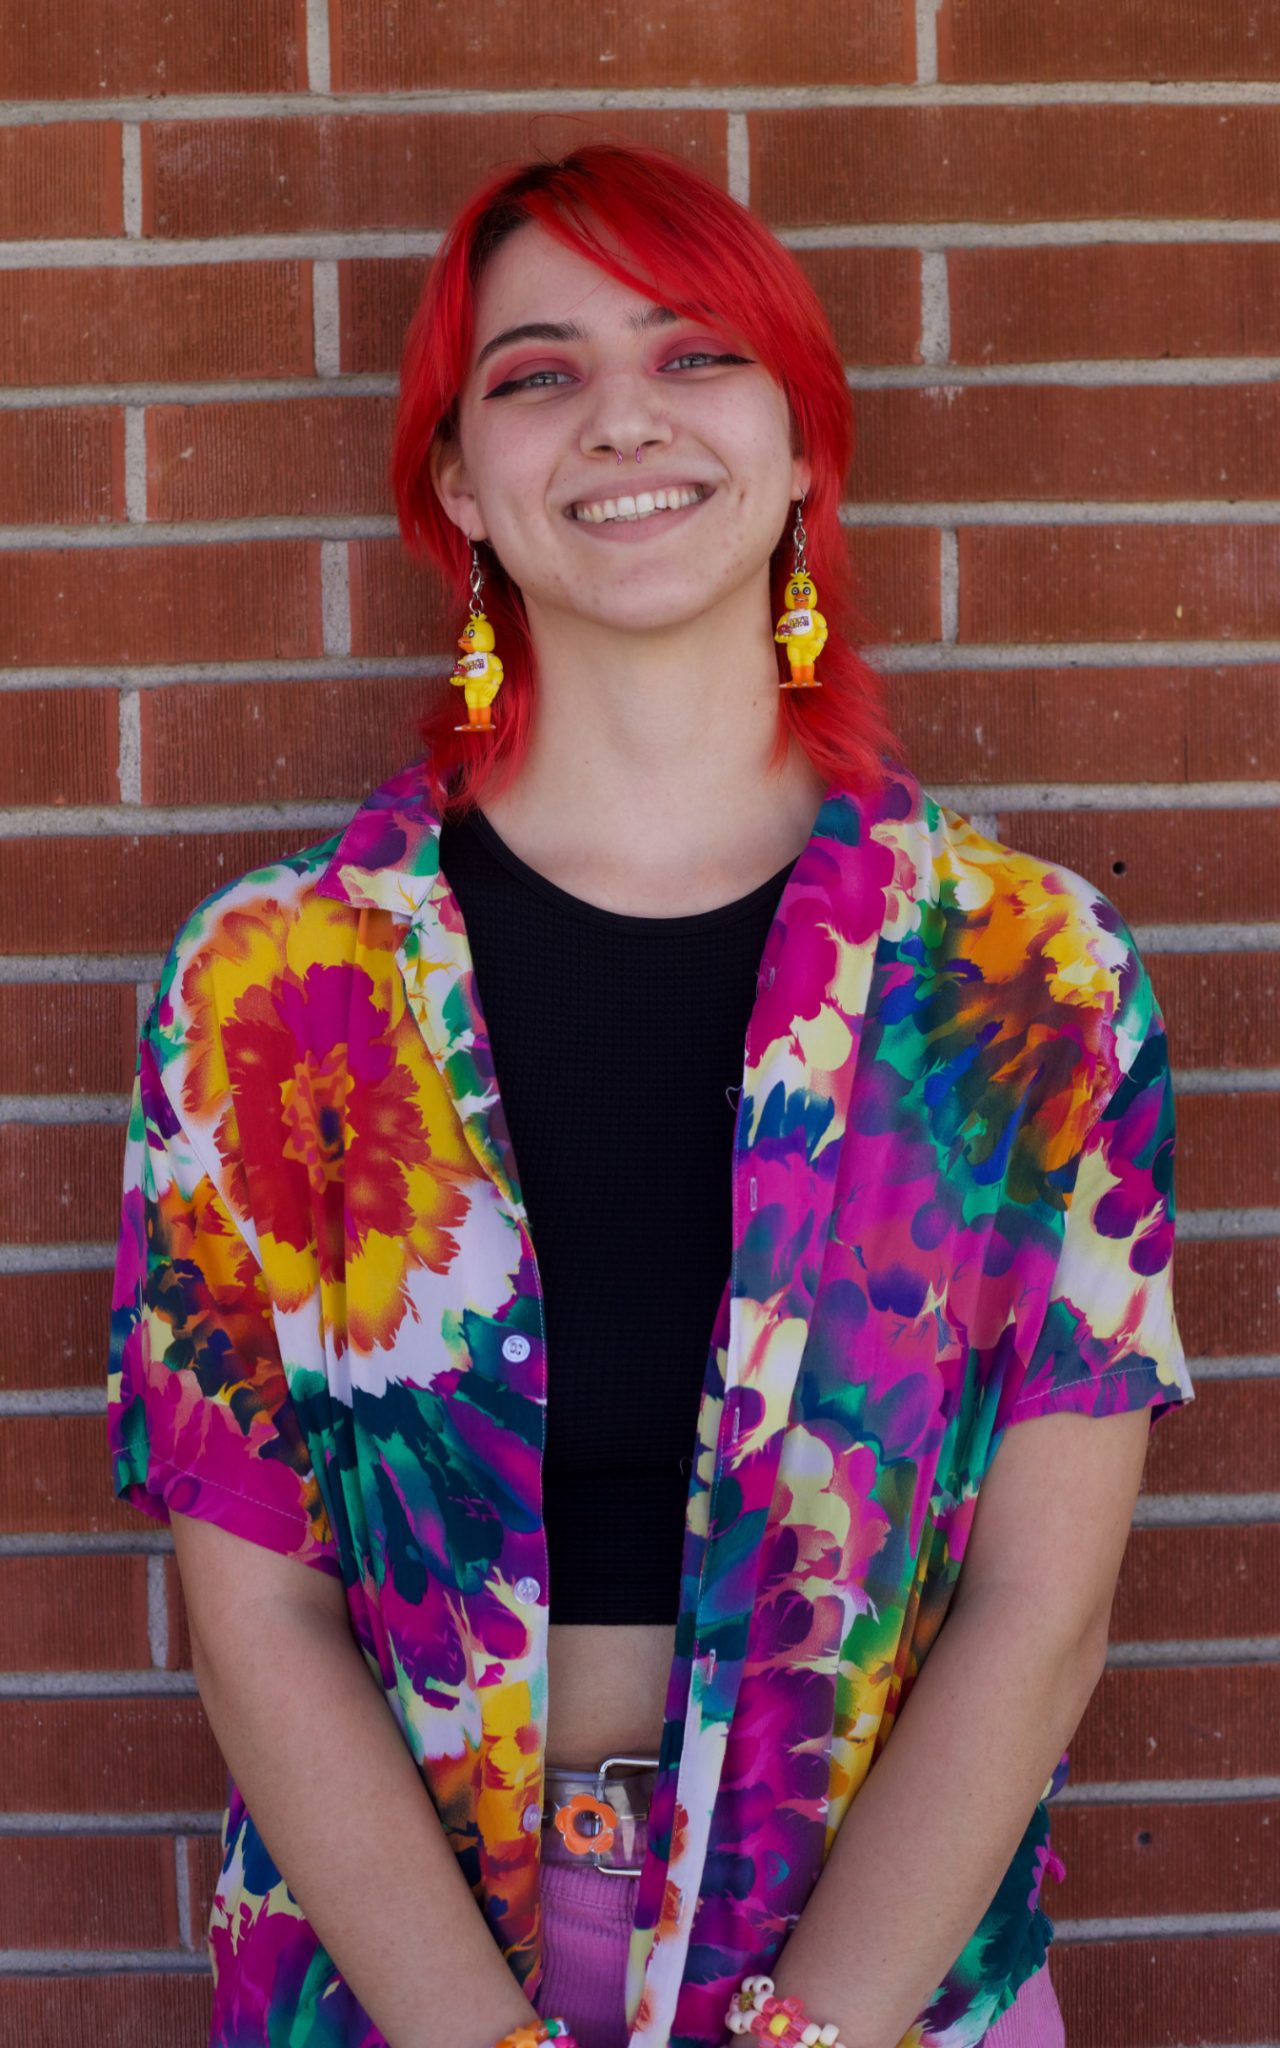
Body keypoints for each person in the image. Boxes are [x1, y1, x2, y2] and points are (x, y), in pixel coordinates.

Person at [106, 141, 1196, 2048]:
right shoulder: (267, 991)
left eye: (697, 357)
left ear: (798, 448)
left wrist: (812, 2037)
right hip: (396, 1972)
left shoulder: (1033, 978)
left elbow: (1045, 1612)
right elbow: (254, 1606)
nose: (622, 417)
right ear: (461, 482)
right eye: (535, 373)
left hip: (883, 1977)